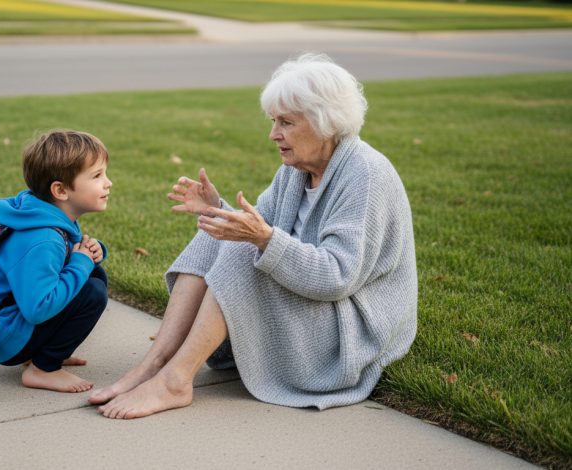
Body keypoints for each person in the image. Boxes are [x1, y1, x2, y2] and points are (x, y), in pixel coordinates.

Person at [89, 53, 417, 418]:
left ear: (327, 122)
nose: (273, 134)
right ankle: (156, 363)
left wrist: (259, 239)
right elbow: (260, 230)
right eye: (274, 121)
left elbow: (337, 277)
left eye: (286, 123)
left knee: (244, 246)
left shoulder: (366, 175)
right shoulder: (295, 171)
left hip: (348, 335)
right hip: (314, 306)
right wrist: (219, 210)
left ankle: (176, 380)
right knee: (218, 233)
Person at [0, 129, 112, 393]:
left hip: (9, 326)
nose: (108, 183)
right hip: (6, 339)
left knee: (94, 275)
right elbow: (38, 307)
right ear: (61, 190)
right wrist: (81, 262)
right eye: (97, 176)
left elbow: (56, 267)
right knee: (93, 291)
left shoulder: (42, 215)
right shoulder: (42, 239)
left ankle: (44, 351)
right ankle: (43, 368)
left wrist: (92, 253)